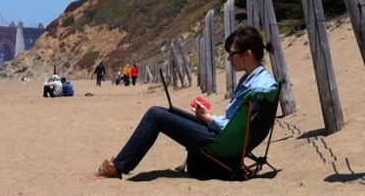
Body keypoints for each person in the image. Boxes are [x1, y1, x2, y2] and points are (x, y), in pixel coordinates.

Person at [95, 25, 276, 179]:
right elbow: (238, 124)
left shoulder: (258, 88)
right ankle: (119, 165)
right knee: (170, 112)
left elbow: (236, 131)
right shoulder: (257, 80)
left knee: (155, 115)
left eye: (232, 54)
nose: (229, 59)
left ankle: (118, 168)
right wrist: (208, 117)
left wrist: (209, 119)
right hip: (227, 138)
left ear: (248, 54)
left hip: (223, 143)